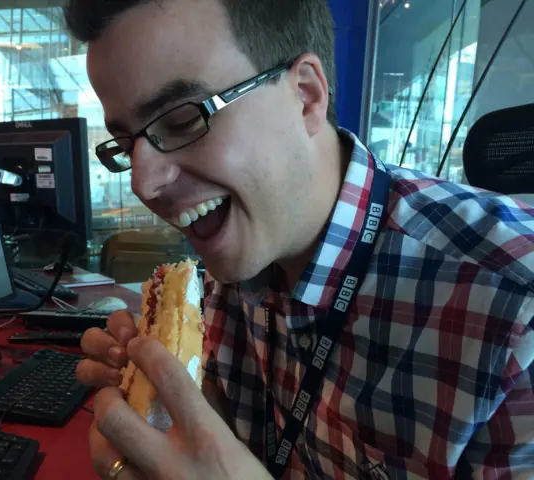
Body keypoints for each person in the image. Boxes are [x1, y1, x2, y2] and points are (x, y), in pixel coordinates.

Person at [65, 0, 534, 478]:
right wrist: (190, 413)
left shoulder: (516, 310)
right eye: (127, 146)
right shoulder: (232, 257)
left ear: (306, 95)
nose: (143, 184)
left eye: (184, 120)